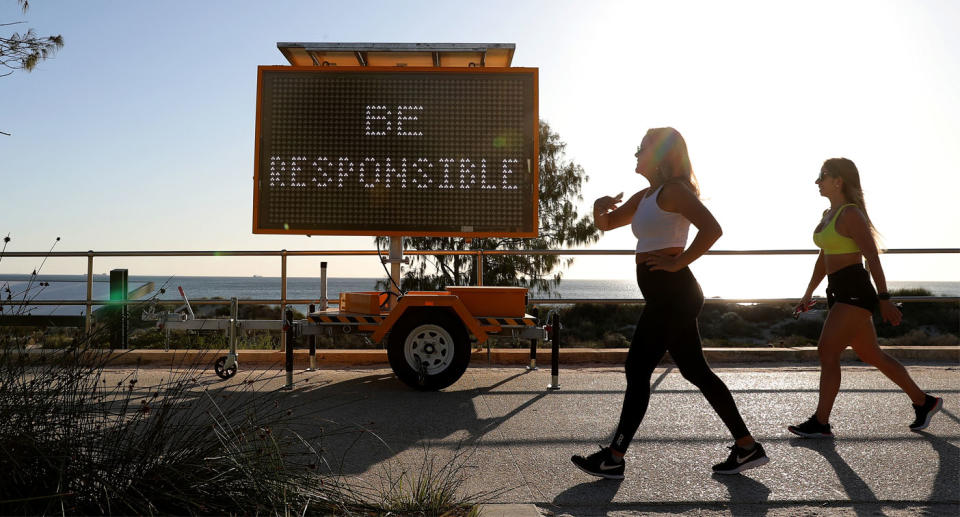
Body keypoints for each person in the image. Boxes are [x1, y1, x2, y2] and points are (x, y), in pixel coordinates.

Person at [571, 127, 769, 478]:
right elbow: (608, 224)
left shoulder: (675, 192)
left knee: (637, 368)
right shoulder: (646, 195)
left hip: (674, 294)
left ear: (661, 156)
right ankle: (746, 446)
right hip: (668, 295)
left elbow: (712, 229)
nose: (635, 153)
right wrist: (598, 209)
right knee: (696, 371)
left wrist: (679, 261)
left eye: (642, 148)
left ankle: (614, 457)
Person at [788, 158, 943, 438]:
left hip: (855, 291)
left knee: (827, 351)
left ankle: (821, 422)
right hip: (837, 291)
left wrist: (884, 298)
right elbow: (824, 257)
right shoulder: (828, 214)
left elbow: (872, 256)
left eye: (822, 176)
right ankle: (925, 402)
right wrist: (808, 292)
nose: (817, 182)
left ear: (839, 181)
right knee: (870, 353)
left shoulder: (851, 214)